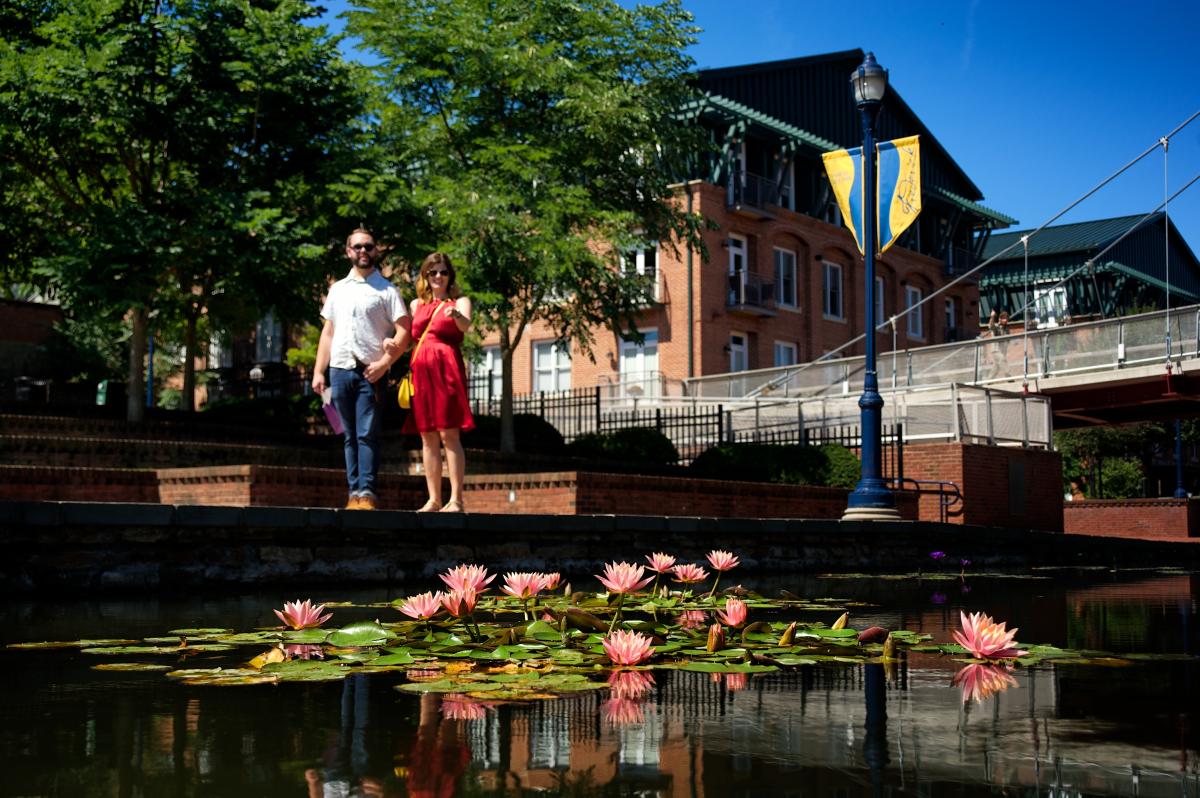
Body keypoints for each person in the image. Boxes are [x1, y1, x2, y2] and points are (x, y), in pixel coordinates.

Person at [313, 228, 411, 510]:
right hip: (339, 369)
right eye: (357, 247)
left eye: (368, 247)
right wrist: (319, 371)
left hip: (372, 371)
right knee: (347, 434)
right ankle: (353, 493)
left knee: (366, 433)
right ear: (348, 251)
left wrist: (384, 363)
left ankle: (367, 492)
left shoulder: (387, 290)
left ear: (376, 250)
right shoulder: (338, 290)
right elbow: (328, 333)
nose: (363, 252)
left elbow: (405, 331)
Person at [399, 252, 475, 513]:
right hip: (421, 370)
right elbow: (408, 339)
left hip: (446, 368)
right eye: (433, 272)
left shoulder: (460, 301)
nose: (438, 277)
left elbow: (466, 326)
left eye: (443, 272)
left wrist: (456, 315)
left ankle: (456, 499)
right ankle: (433, 499)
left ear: (449, 275)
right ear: (425, 276)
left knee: (448, 434)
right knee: (427, 436)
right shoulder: (415, 305)